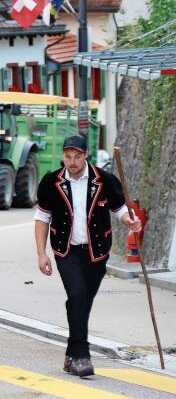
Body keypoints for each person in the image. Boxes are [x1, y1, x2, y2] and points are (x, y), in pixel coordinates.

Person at [34, 135, 141, 378]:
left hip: (97, 251)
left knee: (82, 302)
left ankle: (71, 353)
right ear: (63, 156)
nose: (72, 162)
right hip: (66, 250)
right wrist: (41, 254)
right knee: (77, 295)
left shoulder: (104, 180)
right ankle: (82, 356)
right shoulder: (51, 182)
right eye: (68, 157)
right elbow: (42, 218)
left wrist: (130, 220)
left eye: (77, 157)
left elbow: (120, 208)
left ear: (85, 156)